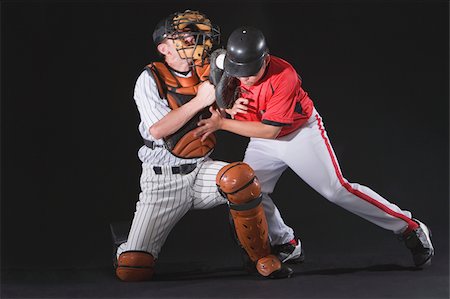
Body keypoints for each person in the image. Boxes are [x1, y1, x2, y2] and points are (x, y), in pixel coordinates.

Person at [194, 26, 434, 268]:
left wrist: (222, 123)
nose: (243, 78)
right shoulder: (226, 63)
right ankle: (286, 243)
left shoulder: (284, 76)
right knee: (249, 191)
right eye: (239, 71)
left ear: (265, 59)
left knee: (336, 190)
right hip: (261, 138)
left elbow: (271, 130)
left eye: (249, 72)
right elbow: (217, 91)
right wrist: (228, 109)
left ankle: (409, 227)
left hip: (298, 134)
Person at [114, 11, 297, 281]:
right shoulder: (150, 78)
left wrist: (229, 106)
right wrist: (201, 101)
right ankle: (125, 243)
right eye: (182, 36)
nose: (191, 39)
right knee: (133, 269)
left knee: (241, 178)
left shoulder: (206, 70)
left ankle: (262, 255)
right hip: (162, 182)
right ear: (164, 48)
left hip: (201, 170)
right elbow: (158, 130)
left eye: (192, 34)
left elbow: (227, 97)